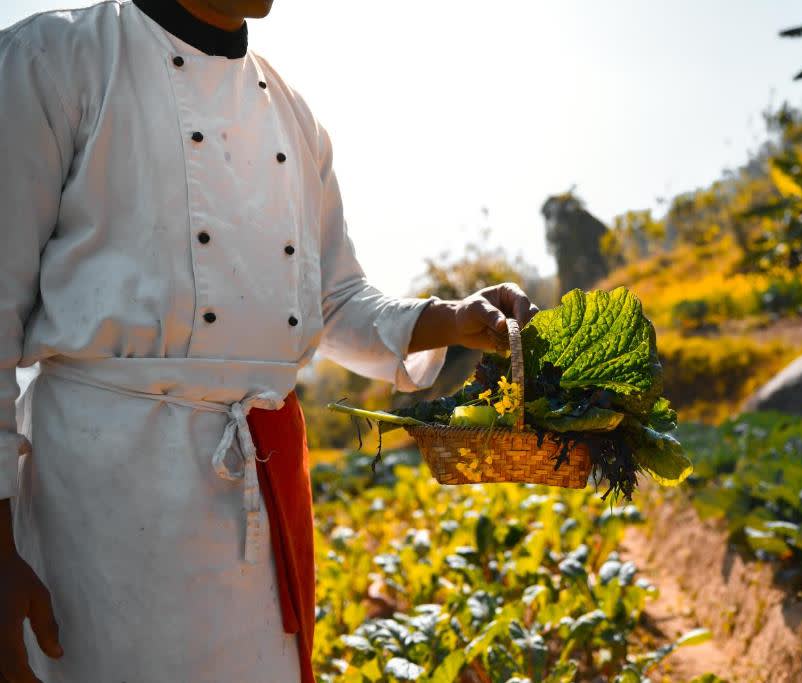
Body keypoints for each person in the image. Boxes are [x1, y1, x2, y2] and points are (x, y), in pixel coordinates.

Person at [0, 1, 538, 681]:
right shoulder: (51, 61)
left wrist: (453, 318)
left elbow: (333, 298)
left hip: (253, 509)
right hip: (102, 511)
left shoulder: (292, 116)